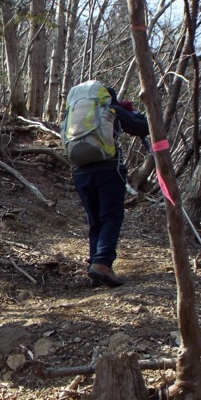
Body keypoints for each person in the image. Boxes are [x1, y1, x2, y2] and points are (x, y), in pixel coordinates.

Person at [72, 86, 128, 287]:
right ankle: (102, 263)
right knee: (111, 217)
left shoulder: (76, 112)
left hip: (80, 172)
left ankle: (95, 266)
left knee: (95, 221)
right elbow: (142, 126)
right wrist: (127, 111)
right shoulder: (110, 108)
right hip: (109, 169)